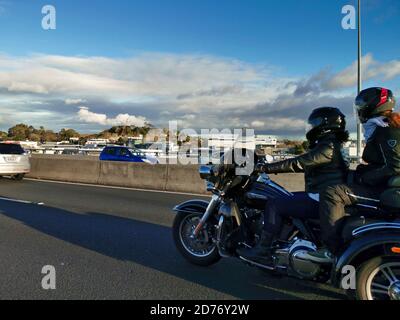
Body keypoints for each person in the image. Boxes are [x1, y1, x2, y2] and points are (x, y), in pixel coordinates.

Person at [238, 107, 350, 265]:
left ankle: (262, 250)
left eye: (314, 124)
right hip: (324, 194)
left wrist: (264, 168)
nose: (311, 128)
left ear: (324, 125)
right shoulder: (334, 144)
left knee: (275, 204)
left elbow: (299, 162)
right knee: (286, 198)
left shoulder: (328, 146)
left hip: (320, 196)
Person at [309, 87, 399, 263]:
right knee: (347, 179)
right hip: (388, 186)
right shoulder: (384, 126)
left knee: (333, 193)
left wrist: (363, 177)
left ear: (373, 105)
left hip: (389, 190)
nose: (359, 110)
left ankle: (331, 250)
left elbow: (394, 167)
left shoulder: (388, 130)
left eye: (360, 106)